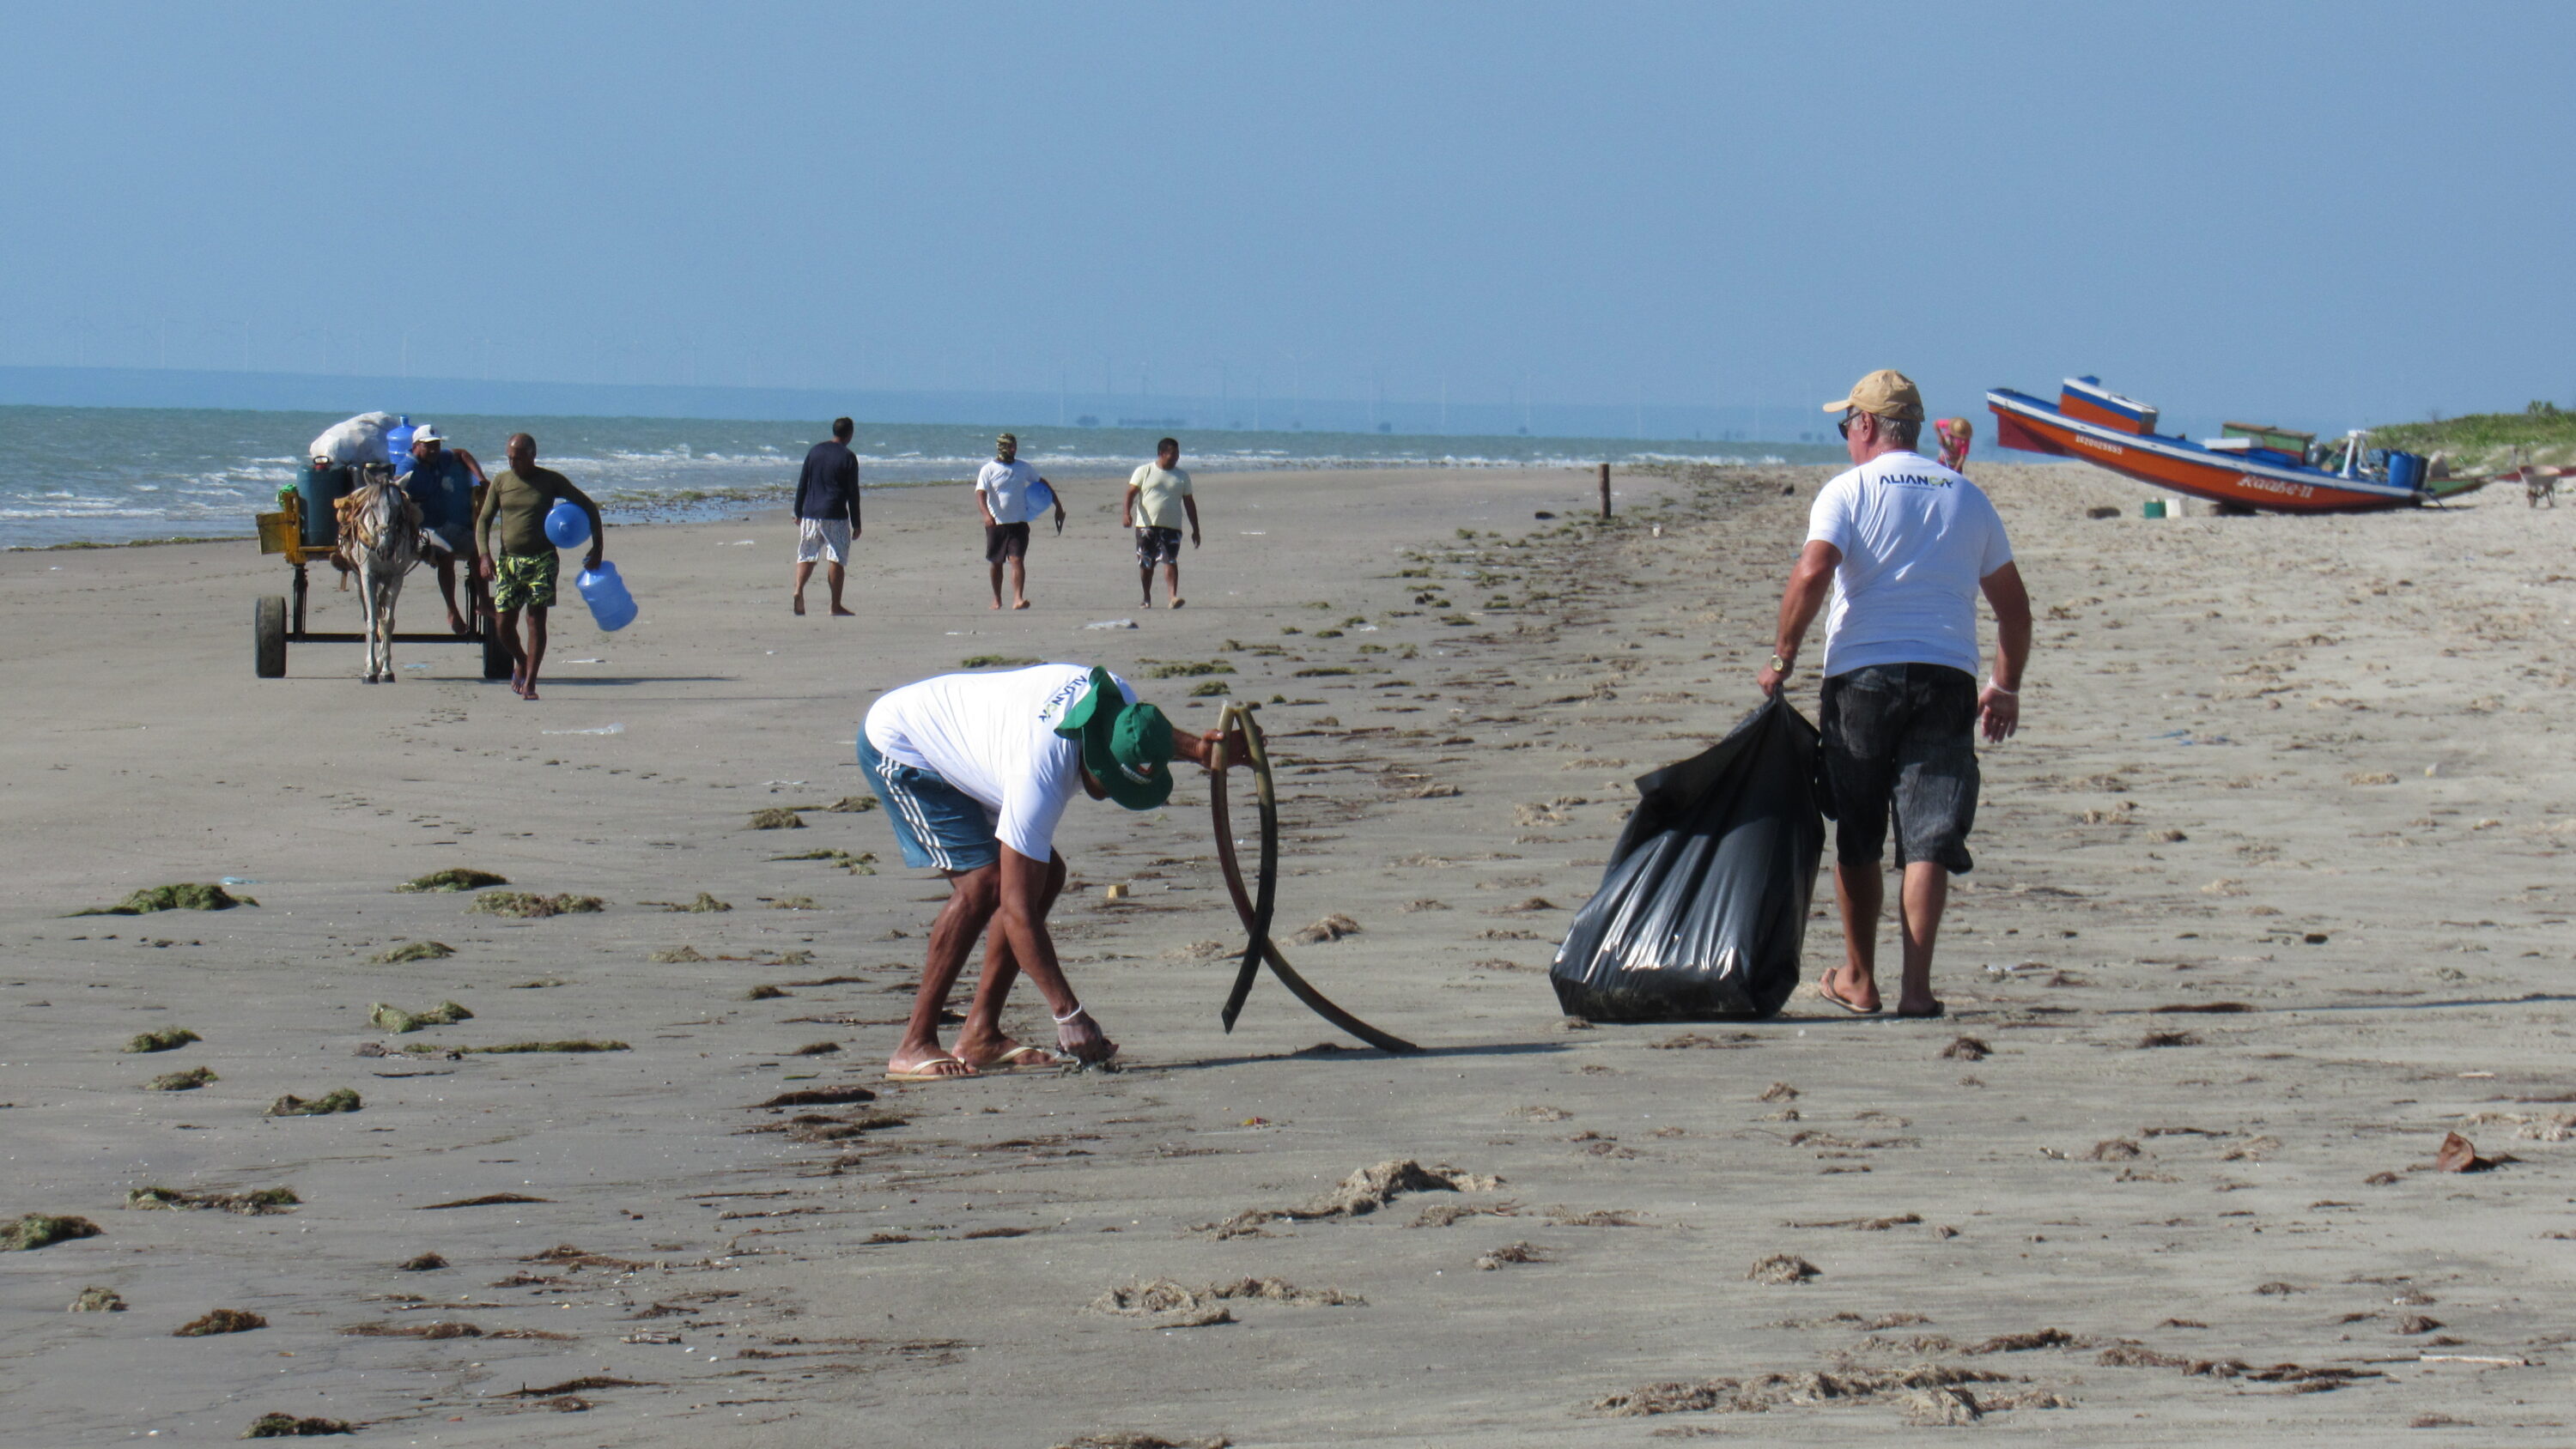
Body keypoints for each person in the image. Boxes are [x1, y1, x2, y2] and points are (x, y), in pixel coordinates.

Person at [1755, 369, 2032, 1020]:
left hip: (1862, 678)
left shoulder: (1846, 491)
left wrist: (1782, 656)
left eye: (1846, 425)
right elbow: (2015, 610)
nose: (1846, 438)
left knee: (1859, 829)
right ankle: (1916, 990)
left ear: (1869, 427)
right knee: (1929, 834)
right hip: (1947, 675)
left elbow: (1815, 569)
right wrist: (2005, 686)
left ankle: (1859, 978)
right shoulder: (1967, 496)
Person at [857, 663, 1235, 1079]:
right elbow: (1016, 911)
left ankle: (981, 1034)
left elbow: (1147, 733)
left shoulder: (1120, 703)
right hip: (902, 744)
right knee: (984, 885)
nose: (1107, 795)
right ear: (1092, 756)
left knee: (1046, 874)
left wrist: (1199, 750)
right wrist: (1067, 1013)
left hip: (975, 739)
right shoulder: (1039, 774)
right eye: (1110, 783)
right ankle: (913, 1044)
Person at [474, 433, 605, 702]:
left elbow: (588, 507)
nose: (513, 463)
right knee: (503, 626)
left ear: (533, 456)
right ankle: (521, 660)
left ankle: (531, 681)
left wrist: (597, 547)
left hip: (542, 560)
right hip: (509, 560)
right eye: (509, 458)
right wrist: (484, 556)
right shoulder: (501, 481)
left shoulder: (550, 480)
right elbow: (484, 521)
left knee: (535, 620)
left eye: (519, 459)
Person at [401, 425, 489, 635]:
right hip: (421, 528)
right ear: (416, 446)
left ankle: (485, 602)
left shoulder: (439, 458)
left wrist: (481, 478)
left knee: (479, 550)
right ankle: (452, 610)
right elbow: (397, 489)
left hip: (444, 525)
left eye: (437, 445)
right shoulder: (407, 466)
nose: (434, 450)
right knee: (446, 554)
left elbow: (462, 453)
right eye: (428, 446)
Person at [975, 433, 1064, 610]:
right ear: (1001, 447)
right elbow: (980, 493)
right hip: (997, 523)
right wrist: (986, 515)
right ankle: (997, 598)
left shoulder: (1023, 467)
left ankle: (1018, 598)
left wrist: (1058, 506)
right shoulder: (988, 469)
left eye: (1015, 446)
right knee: (996, 562)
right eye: (1010, 446)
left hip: (1020, 523)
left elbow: (1041, 484)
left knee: (1017, 559)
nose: (1013, 450)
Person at [793, 417, 861, 616]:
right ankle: (835, 605)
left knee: (807, 553)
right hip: (835, 514)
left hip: (811, 513)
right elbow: (852, 492)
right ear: (850, 433)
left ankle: (798, 589)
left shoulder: (815, 451)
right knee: (836, 558)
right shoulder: (848, 457)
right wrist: (856, 523)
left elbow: (802, 483)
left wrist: (797, 511)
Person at [1121, 436, 1201, 609]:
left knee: (1170, 560)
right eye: (1172, 454)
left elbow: (1189, 503)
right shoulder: (1144, 471)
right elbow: (1130, 494)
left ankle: (1172, 597)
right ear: (1161, 453)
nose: (1175, 457)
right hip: (1146, 526)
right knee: (1146, 564)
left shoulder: (1182, 476)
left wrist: (1196, 529)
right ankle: (1147, 597)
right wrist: (1126, 514)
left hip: (1172, 526)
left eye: (1177, 454)